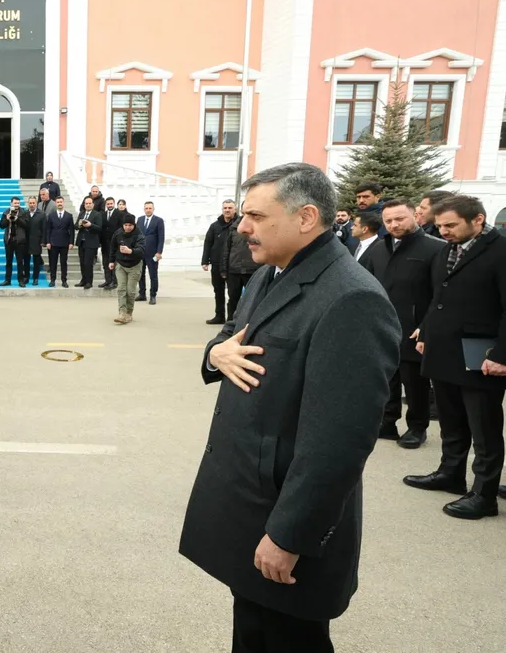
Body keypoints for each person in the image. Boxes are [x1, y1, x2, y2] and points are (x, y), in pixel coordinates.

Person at [179, 162, 400, 653]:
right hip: (251, 505)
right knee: (254, 631)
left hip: (284, 523)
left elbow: (338, 444)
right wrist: (215, 355)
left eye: (257, 216)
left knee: (287, 639)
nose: (242, 226)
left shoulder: (351, 300)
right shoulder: (271, 273)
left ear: (305, 217)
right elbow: (231, 337)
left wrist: (289, 537)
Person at [405, 195, 506, 519]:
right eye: (439, 225)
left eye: (450, 225)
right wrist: (425, 331)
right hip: (444, 349)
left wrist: (502, 355)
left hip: (481, 354)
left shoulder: (500, 251)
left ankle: (484, 495)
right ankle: (450, 474)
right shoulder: (447, 250)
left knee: (484, 428)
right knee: (451, 420)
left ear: (478, 220)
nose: (443, 231)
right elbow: (439, 296)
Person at [362, 198, 445, 450]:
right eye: (388, 220)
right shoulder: (379, 248)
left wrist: (427, 325)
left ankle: (417, 427)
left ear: (414, 216)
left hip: (414, 327)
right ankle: (387, 423)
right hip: (383, 325)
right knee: (387, 379)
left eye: (400, 218)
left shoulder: (435, 248)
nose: (394, 224)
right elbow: (367, 283)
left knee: (415, 382)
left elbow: (441, 293)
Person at [221, 204, 259, 322]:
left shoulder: (259, 226)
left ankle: (250, 323)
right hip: (234, 270)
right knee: (233, 299)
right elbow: (226, 250)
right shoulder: (233, 228)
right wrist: (224, 269)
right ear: (242, 211)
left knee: (253, 299)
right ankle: (231, 323)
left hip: (253, 270)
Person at [201, 200, 237, 321]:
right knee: (218, 290)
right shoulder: (215, 226)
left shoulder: (239, 224)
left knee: (233, 293)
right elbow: (208, 243)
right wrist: (205, 261)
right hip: (217, 263)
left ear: (235, 209)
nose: (227, 210)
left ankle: (232, 318)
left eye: (230, 208)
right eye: (225, 208)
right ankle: (219, 315)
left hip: (232, 264)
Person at [109, 213, 145, 324]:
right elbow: (113, 247)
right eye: (126, 225)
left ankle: (129, 313)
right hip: (121, 265)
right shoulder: (118, 233)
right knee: (121, 289)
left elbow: (142, 250)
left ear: (134, 225)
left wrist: (131, 251)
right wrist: (111, 261)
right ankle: (122, 313)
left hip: (134, 265)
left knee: (130, 291)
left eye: (130, 225)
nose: (128, 227)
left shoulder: (139, 235)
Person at [136, 201, 165, 305]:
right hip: (140, 253)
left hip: (153, 253)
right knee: (140, 274)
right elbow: (136, 235)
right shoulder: (140, 220)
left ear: (153, 209)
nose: (148, 210)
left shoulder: (159, 221)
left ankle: (153, 295)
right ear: (144, 209)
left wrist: (159, 252)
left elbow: (161, 237)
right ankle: (142, 294)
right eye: (146, 208)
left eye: (150, 208)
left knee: (153, 275)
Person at [45, 196, 75, 288]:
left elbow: (72, 230)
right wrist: (48, 242)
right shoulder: (51, 215)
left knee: (63, 263)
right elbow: (48, 230)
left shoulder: (69, 216)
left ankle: (64, 280)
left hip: (64, 243)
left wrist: (71, 242)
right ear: (55, 203)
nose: (59, 204)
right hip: (53, 243)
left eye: (61, 202)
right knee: (53, 263)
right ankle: (52, 280)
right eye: (58, 202)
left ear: (63, 203)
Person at [0, 196, 29, 287]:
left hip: (20, 241)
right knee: (9, 261)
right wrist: (7, 219)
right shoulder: (6, 212)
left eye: (18, 203)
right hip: (9, 241)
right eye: (15, 203)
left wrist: (17, 219)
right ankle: (7, 280)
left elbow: (27, 226)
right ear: (11, 203)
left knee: (20, 262)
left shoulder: (24, 212)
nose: (17, 205)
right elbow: (1, 225)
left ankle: (21, 280)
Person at [76, 196, 104, 290]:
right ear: (84, 205)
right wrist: (79, 225)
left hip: (91, 242)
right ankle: (83, 280)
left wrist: (90, 225)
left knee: (88, 263)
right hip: (81, 241)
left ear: (93, 204)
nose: (88, 205)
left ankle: (89, 282)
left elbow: (99, 228)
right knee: (82, 262)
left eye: (89, 203)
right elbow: (76, 225)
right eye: (86, 203)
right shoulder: (81, 213)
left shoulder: (97, 214)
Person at [99, 197, 121, 289]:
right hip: (105, 244)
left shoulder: (119, 214)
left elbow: (121, 229)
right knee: (105, 263)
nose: (109, 205)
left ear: (114, 204)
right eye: (108, 204)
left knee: (114, 263)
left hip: (115, 244)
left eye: (111, 203)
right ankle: (107, 280)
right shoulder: (103, 214)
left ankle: (114, 282)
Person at [25, 195, 46, 286]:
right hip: (26, 241)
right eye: (30, 203)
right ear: (28, 203)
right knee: (26, 261)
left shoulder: (42, 214)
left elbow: (44, 229)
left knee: (36, 261)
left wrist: (43, 241)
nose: (32, 204)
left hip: (37, 241)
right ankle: (26, 277)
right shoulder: (24, 213)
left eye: (33, 203)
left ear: (36, 203)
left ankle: (35, 278)